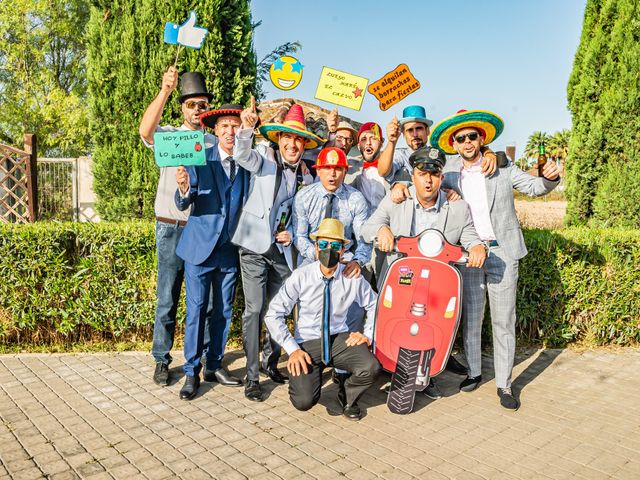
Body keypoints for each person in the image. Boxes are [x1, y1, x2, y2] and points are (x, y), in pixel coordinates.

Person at [429, 109, 561, 410]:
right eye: (460, 138)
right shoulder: (448, 174)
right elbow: (424, 186)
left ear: (481, 138)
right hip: (469, 254)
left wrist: (549, 178)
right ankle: (474, 372)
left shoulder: (501, 167)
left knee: (503, 321)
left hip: (502, 252)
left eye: (472, 136)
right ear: (453, 143)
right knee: (472, 319)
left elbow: (534, 187)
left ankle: (504, 384)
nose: (467, 142)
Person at [361, 145, 487, 399]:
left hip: (436, 285)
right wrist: (382, 231)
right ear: (413, 176)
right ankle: (388, 365)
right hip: (402, 278)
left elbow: (470, 235)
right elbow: (369, 227)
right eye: (422, 173)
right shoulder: (398, 199)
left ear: (441, 177)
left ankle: (427, 376)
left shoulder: (458, 207)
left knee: (434, 326)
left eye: (434, 174)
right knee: (393, 321)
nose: (428, 180)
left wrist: (477, 248)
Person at [232, 100, 318, 402]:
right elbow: (241, 154)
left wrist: (292, 233)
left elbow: (302, 216)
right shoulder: (264, 158)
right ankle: (252, 377)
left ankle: (270, 363)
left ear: (304, 143)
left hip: (282, 253)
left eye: (298, 139)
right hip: (254, 247)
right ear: (278, 139)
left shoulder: (308, 177)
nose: (292, 144)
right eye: (287, 138)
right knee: (255, 310)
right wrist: (246, 127)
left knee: (279, 309)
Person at [138, 67, 216, 386]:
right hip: (170, 226)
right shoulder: (169, 135)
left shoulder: (212, 142)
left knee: (203, 302)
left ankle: (205, 359)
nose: (197, 110)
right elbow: (145, 131)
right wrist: (165, 91)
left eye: (202, 104)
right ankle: (161, 359)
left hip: (200, 228)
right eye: (191, 104)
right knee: (167, 298)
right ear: (182, 108)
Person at [264, 218, 381, 420]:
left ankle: (348, 395)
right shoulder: (301, 276)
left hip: (339, 338)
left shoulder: (352, 276)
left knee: (370, 367)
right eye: (323, 244)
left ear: (343, 250)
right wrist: (292, 350)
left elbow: (375, 305)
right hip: (307, 342)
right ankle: (314, 378)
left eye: (335, 245)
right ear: (316, 248)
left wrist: (367, 335)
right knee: (303, 401)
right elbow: (273, 314)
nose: (329, 250)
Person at [173, 103, 250, 400]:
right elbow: (184, 202)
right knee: (196, 311)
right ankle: (191, 371)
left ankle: (214, 364)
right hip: (199, 249)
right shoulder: (199, 159)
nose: (230, 131)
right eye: (225, 127)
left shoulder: (246, 162)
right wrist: (183, 188)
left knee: (223, 311)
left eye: (235, 126)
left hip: (229, 250)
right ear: (214, 131)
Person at [376, 105, 497, 203]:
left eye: (419, 128)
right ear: (403, 135)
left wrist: (487, 152)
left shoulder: (439, 155)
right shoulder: (399, 155)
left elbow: (466, 153)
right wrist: (392, 141)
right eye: (409, 130)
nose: (415, 134)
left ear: (427, 131)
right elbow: (383, 171)